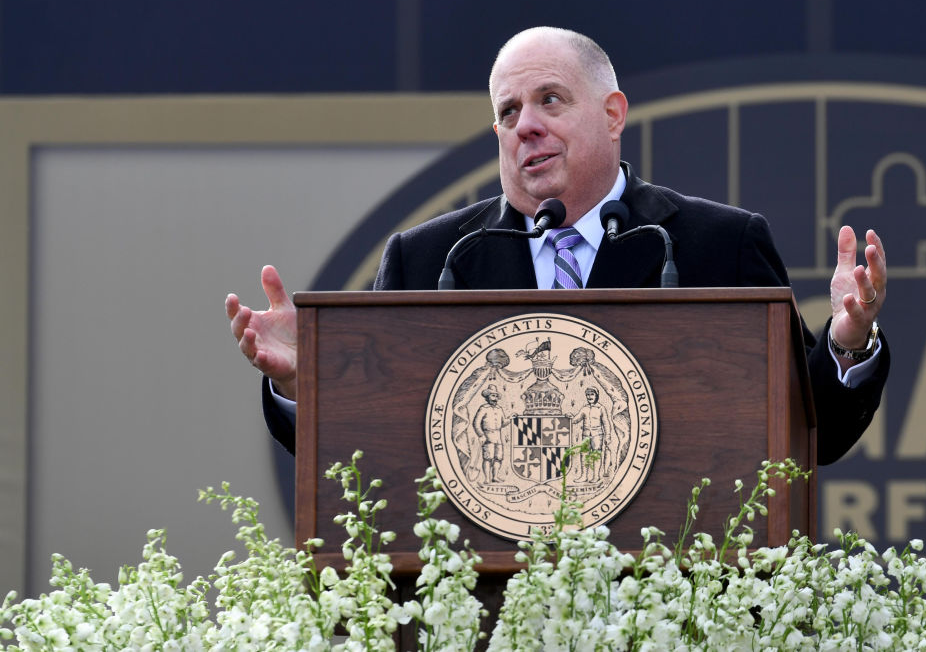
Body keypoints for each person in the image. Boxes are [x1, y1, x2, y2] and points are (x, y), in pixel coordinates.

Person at [226, 26, 889, 466]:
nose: (526, 126)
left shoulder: (716, 244)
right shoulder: (430, 261)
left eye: (550, 100)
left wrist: (847, 343)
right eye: (508, 112)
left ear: (613, 114)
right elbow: (371, 448)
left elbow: (813, 433)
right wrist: (304, 385)